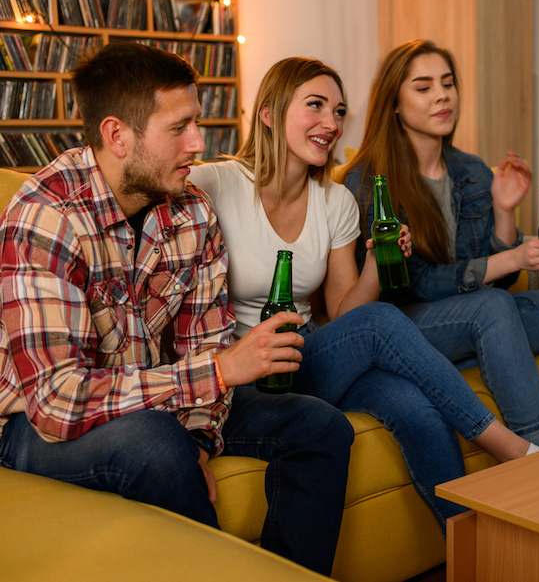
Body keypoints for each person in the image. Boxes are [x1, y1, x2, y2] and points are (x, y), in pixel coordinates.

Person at [0, 42, 353, 575]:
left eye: (197, 122)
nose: (199, 142)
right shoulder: (45, 217)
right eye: (179, 127)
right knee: (155, 443)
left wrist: (200, 437)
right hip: (33, 423)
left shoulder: (190, 210)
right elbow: (56, 400)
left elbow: (204, 345)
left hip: (153, 394)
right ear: (117, 136)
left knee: (321, 427)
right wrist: (212, 378)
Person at [188, 56, 539, 531]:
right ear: (269, 113)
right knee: (385, 334)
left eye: (339, 112)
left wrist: (376, 260)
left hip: (304, 355)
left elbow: (342, 312)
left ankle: (471, 554)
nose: (331, 123)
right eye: (315, 106)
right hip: (244, 372)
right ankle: (508, 445)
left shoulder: (334, 202)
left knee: (416, 409)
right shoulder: (216, 182)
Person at [343, 39, 539, 448]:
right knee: (492, 310)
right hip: (404, 323)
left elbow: (496, 283)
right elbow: (421, 284)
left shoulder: (471, 169)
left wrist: (504, 213)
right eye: (424, 87)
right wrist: (515, 255)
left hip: (463, 317)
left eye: (447, 84)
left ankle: (440, 363)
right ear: (393, 103)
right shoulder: (369, 180)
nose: (442, 95)